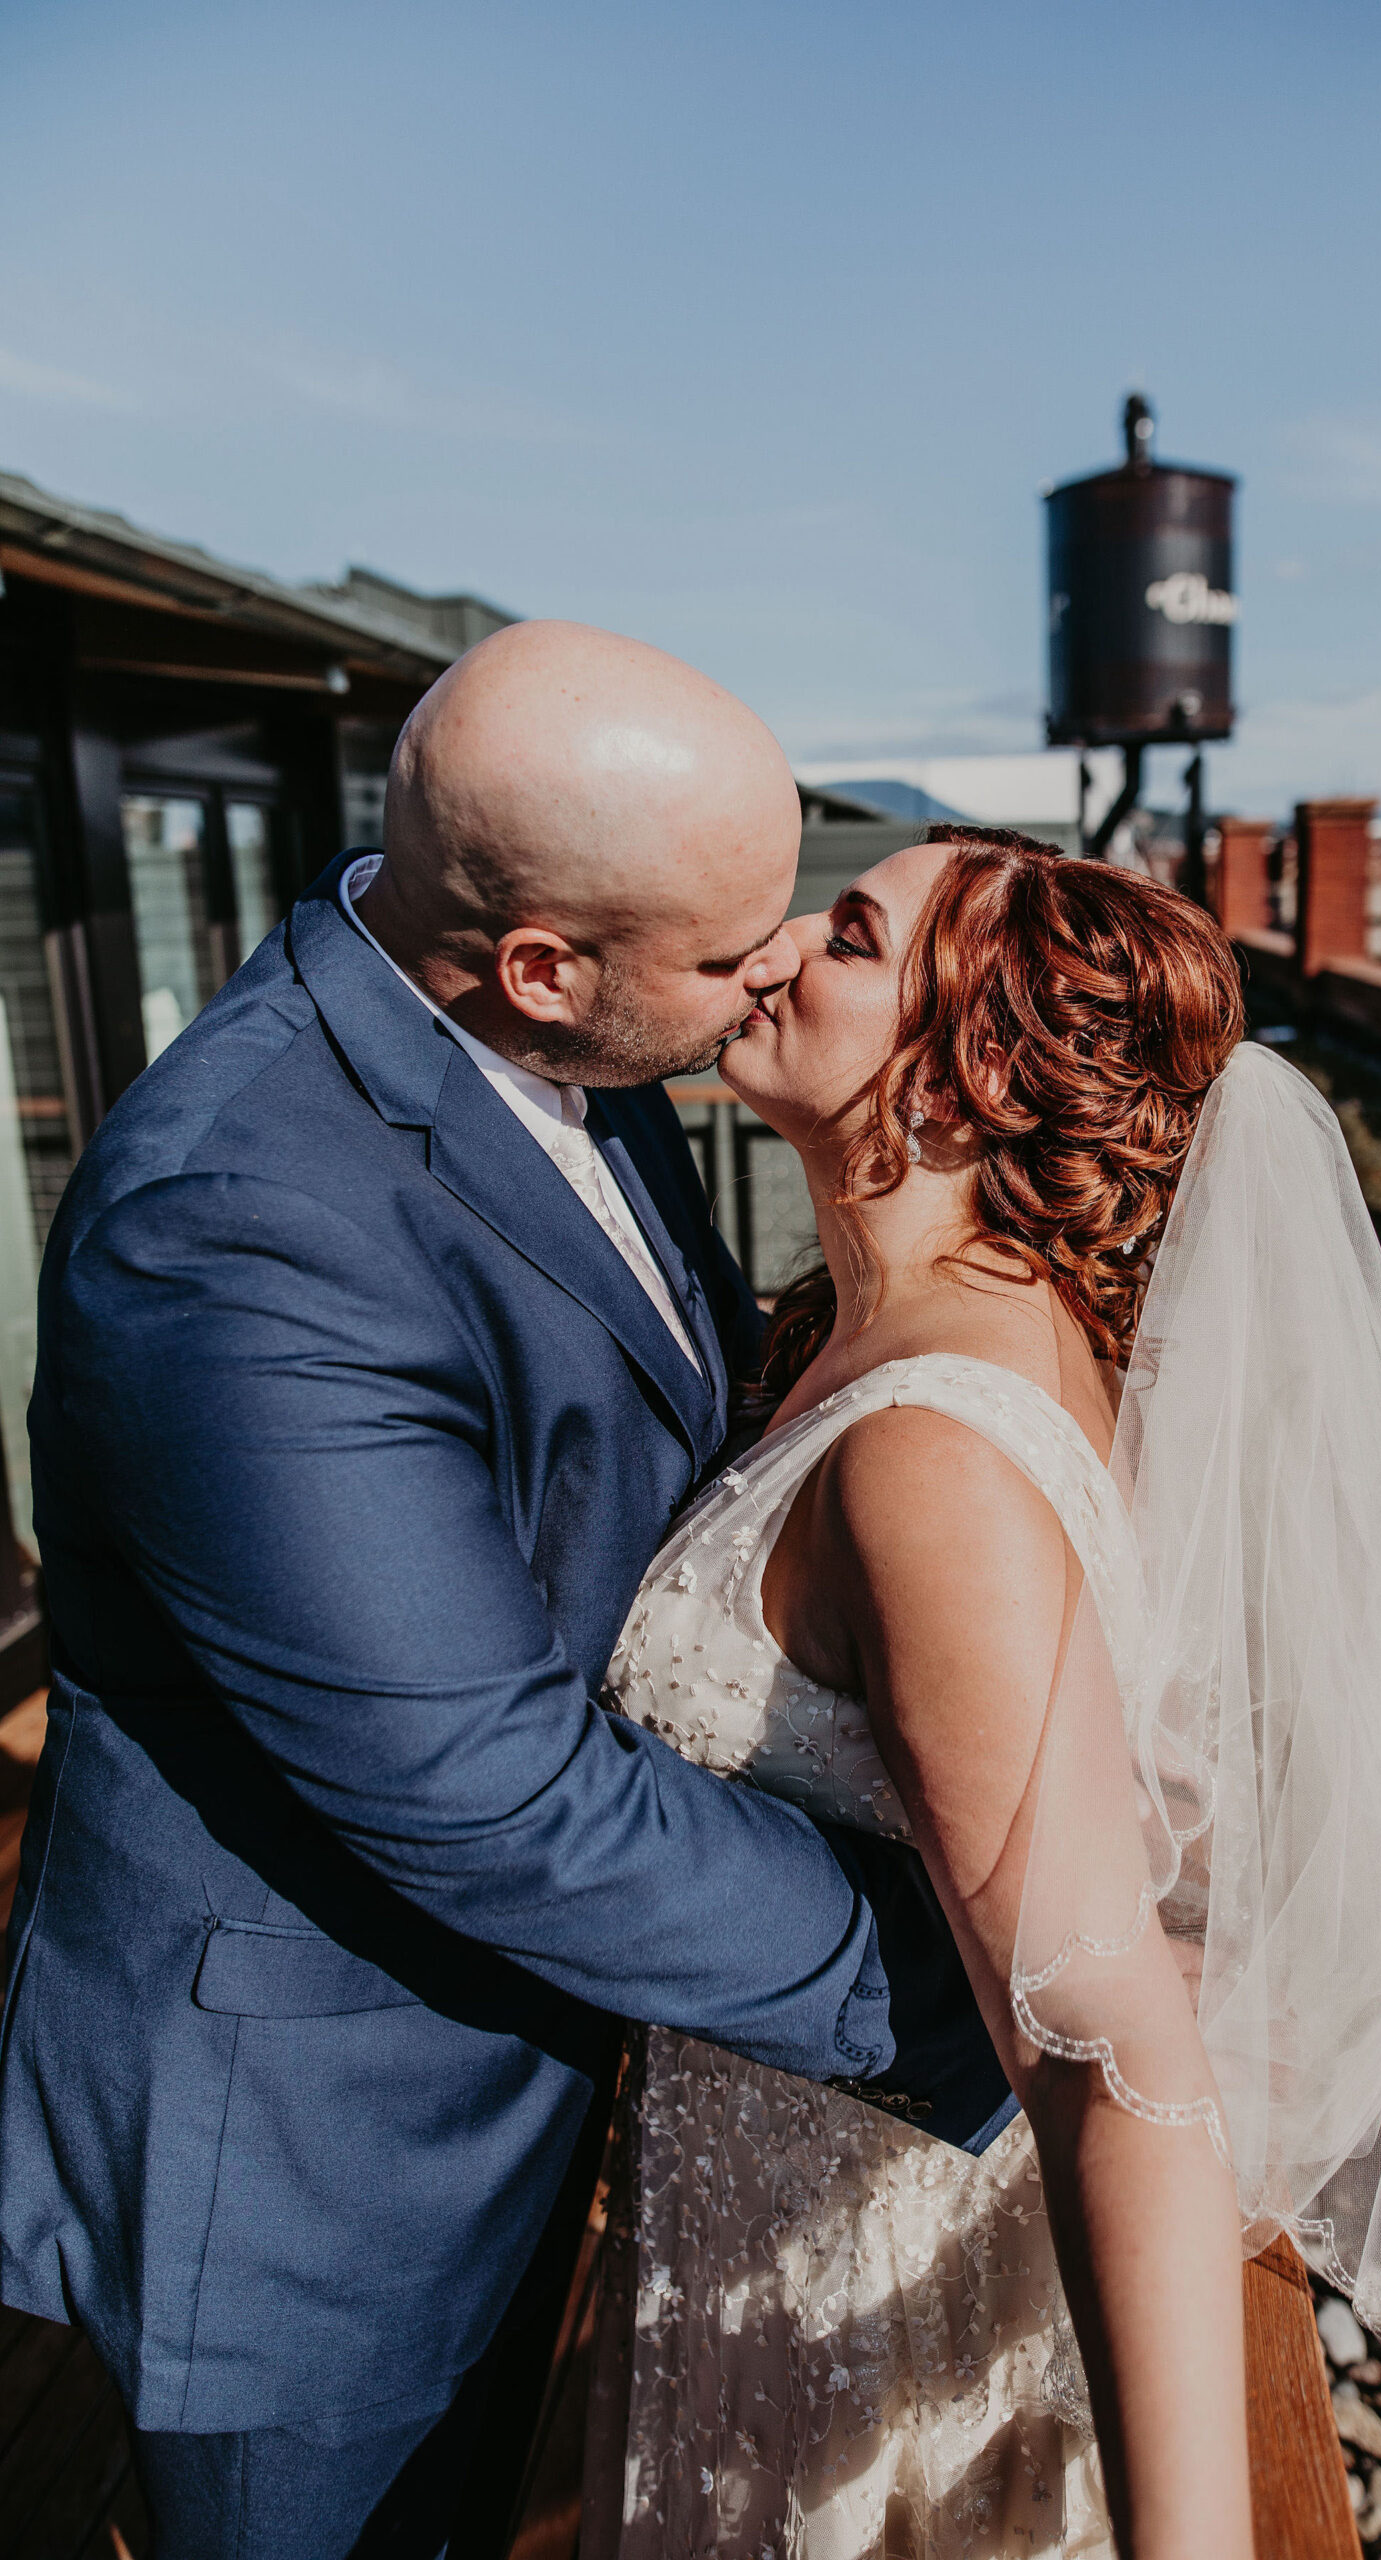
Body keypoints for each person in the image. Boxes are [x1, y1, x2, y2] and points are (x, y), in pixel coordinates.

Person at [0, 626, 1008, 2559]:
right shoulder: (238, 1225)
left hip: (545, 2065)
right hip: (317, 2170)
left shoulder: (579, 1037)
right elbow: (492, 1791)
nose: (775, 967)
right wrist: (977, 1994)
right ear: (540, 962)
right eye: (730, 959)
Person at [583, 829, 1381, 2560]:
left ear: (973, 1072)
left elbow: (1112, 2048)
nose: (777, 948)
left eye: (851, 936)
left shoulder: (932, 1458)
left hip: (862, 2290)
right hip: (766, 2199)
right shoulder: (874, 1337)